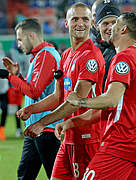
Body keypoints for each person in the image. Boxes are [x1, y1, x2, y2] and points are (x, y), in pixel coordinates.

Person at [56, 12, 136, 179]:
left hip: (119, 145)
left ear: (123, 29)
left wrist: (79, 100)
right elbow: (112, 108)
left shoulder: (124, 57)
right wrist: (71, 122)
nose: (110, 28)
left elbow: (110, 101)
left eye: (115, 24)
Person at [17, 3, 105, 180]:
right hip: (68, 137)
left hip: (87, 137)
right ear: (66, 23)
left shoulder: (91, 56)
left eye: (85, 19)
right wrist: (31, 109)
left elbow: (76, 101)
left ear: (92, 23)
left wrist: (42, 122)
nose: (80, 23)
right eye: (75, 19)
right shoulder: (65, 55)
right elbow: (58, 97)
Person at [0, 18, 62, 179]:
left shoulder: (45, 56)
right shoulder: (40, 56)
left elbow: (34, 91)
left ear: (31, 36)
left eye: (20, 39)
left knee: (56, 176)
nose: (18, 44)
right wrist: (17, 76)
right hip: (35, 128)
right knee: (24, 175)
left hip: (46, 129)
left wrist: (10, 77)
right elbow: (34, 90)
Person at [92, 0, 120, 90]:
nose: (110, 27)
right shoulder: (90, 51)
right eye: (105, 23)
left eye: (114, 22)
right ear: (97, 26)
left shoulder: (127, 50)